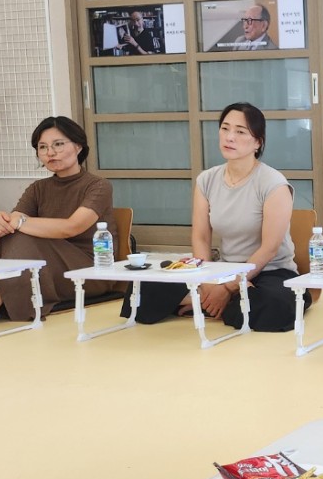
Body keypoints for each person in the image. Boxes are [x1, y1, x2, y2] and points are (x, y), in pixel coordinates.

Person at [129, 102, 303, 332]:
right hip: (222, 269)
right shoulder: (207, 180)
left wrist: (231, 286)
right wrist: (208, 281)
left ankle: (206, 302)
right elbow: (201, 237)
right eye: (225, 128)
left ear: (258, 142)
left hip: (269, 271)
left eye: (240, 132)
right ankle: (217, 302)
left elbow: (269, 248)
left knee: (276, 305)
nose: (229, 137)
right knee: (141, 289)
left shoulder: (274, 184)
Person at [0, 116, 114, 334]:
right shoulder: (38, 188)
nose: (50, 152)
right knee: (7, 234)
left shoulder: (98, 186)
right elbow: (12, 222)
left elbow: (72, 227)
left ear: (78, 146)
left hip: (88, 270)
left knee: (19, 233)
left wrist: (17, 222)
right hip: (49, 268)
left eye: (58, 144)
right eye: (43, 147)